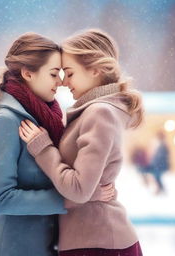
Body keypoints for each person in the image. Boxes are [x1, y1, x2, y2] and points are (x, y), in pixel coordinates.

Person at [0, 32, 114, 256]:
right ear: (28, 73)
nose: (60, 82)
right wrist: (72, 199)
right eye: (53, 74)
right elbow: (2, 200)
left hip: (44, 247)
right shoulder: (7, 122)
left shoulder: (45, 118)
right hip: (12, 249)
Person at [20, 29, 144, 256]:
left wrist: (43, 148)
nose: (64, 82)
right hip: (92, 242)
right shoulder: (93, 112)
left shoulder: (99, 113)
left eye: (69, 73)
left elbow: (78, 190)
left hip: (100, 244)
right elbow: (85, 190)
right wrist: (91, 194)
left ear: (96, 70)